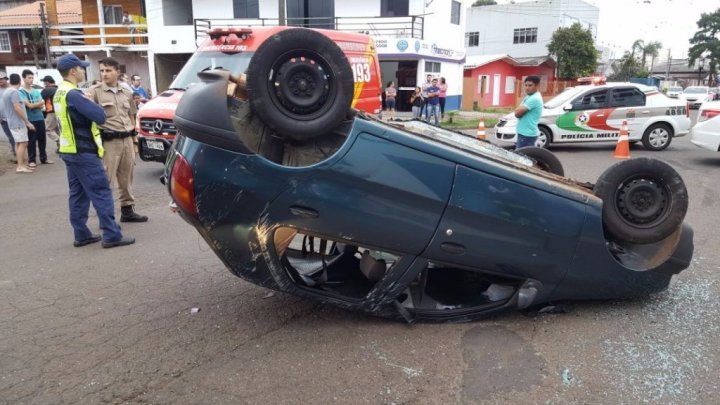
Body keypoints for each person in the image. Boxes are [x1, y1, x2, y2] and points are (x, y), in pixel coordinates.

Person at [54, 54, 135, 248]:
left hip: (69, 149)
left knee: (78, 194)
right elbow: (99, 116)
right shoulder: (74, 93)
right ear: (73, 71)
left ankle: (82, 234)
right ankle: (111, 235)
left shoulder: (61, 92)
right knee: (101, 191)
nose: (84, 71)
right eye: (81, 68)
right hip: (83, 151)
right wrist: (89, 101)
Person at [87, 57, 148, 223]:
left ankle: (127, 210)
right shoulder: (94, 92)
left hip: (127, 139)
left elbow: (131, 116)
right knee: (106, 179)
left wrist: (135, 141)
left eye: (108, 70)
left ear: (117, 72)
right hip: (109, 141)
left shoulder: (126, 92)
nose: (104, 74)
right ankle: (105, 218)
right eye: (102, 70)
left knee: (127, 177)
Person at [2, 73, 35, 173]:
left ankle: (21, 164)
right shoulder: (14, 92)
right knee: (23, 143)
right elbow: (17, 108)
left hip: (11, 121)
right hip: (17, 122)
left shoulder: (7, 91)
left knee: (18, 143)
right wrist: (27, 121)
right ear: (20, 81)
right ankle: (20, 166)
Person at [20, 69, 52, 166]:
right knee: (32, 140)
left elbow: (42, 103)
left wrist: (35, 104)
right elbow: (29, 106)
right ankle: (32, 160)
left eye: (32, 78)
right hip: (30, 119)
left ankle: (44, 158)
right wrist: (37, 104)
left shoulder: (35, 91)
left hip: (40, 117)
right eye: (29, 78)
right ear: (24, 78)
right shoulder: (21, 92)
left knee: (42, 139)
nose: (31, 80)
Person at [514, 76, 543, 149]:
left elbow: (517, 114)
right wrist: (518, 111)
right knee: (523, 157)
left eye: (530, 85)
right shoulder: (529, 97)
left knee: (521, 159)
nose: (527, 88)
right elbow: (518, 111)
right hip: (524, 133)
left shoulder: (534, 98)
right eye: (526, 85)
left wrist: (518, 111)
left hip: (527, 135)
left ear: (537, 86)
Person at [0, 71, 16, 161]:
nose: (0, 81)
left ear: (6, 79)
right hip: (3, 119)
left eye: (1, 79)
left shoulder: (12, 89)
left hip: (13, 117)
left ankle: (19, 155)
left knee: (16, 137)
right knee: (10, 137)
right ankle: (16, 154)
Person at [41, 75, 59, 151]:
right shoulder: (58, 88)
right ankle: (61, 148)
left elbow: (40, 100)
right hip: (60, 112)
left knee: (49, 130)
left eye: (44, 82)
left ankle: (61, 142)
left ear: (47, 82)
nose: (44, 84)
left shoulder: (46, 90)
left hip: (51, 112)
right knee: (57, 130)